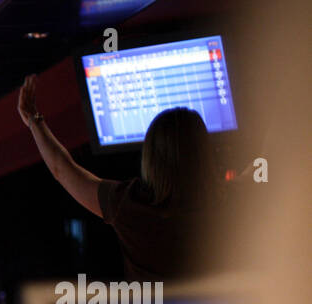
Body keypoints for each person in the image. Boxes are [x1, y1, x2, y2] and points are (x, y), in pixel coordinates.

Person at [17, 74, 221, 280]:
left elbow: (62, 169)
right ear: (204, 152)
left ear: (150, 157)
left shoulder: (129, 204)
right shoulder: (232, 202)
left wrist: (34, 121)